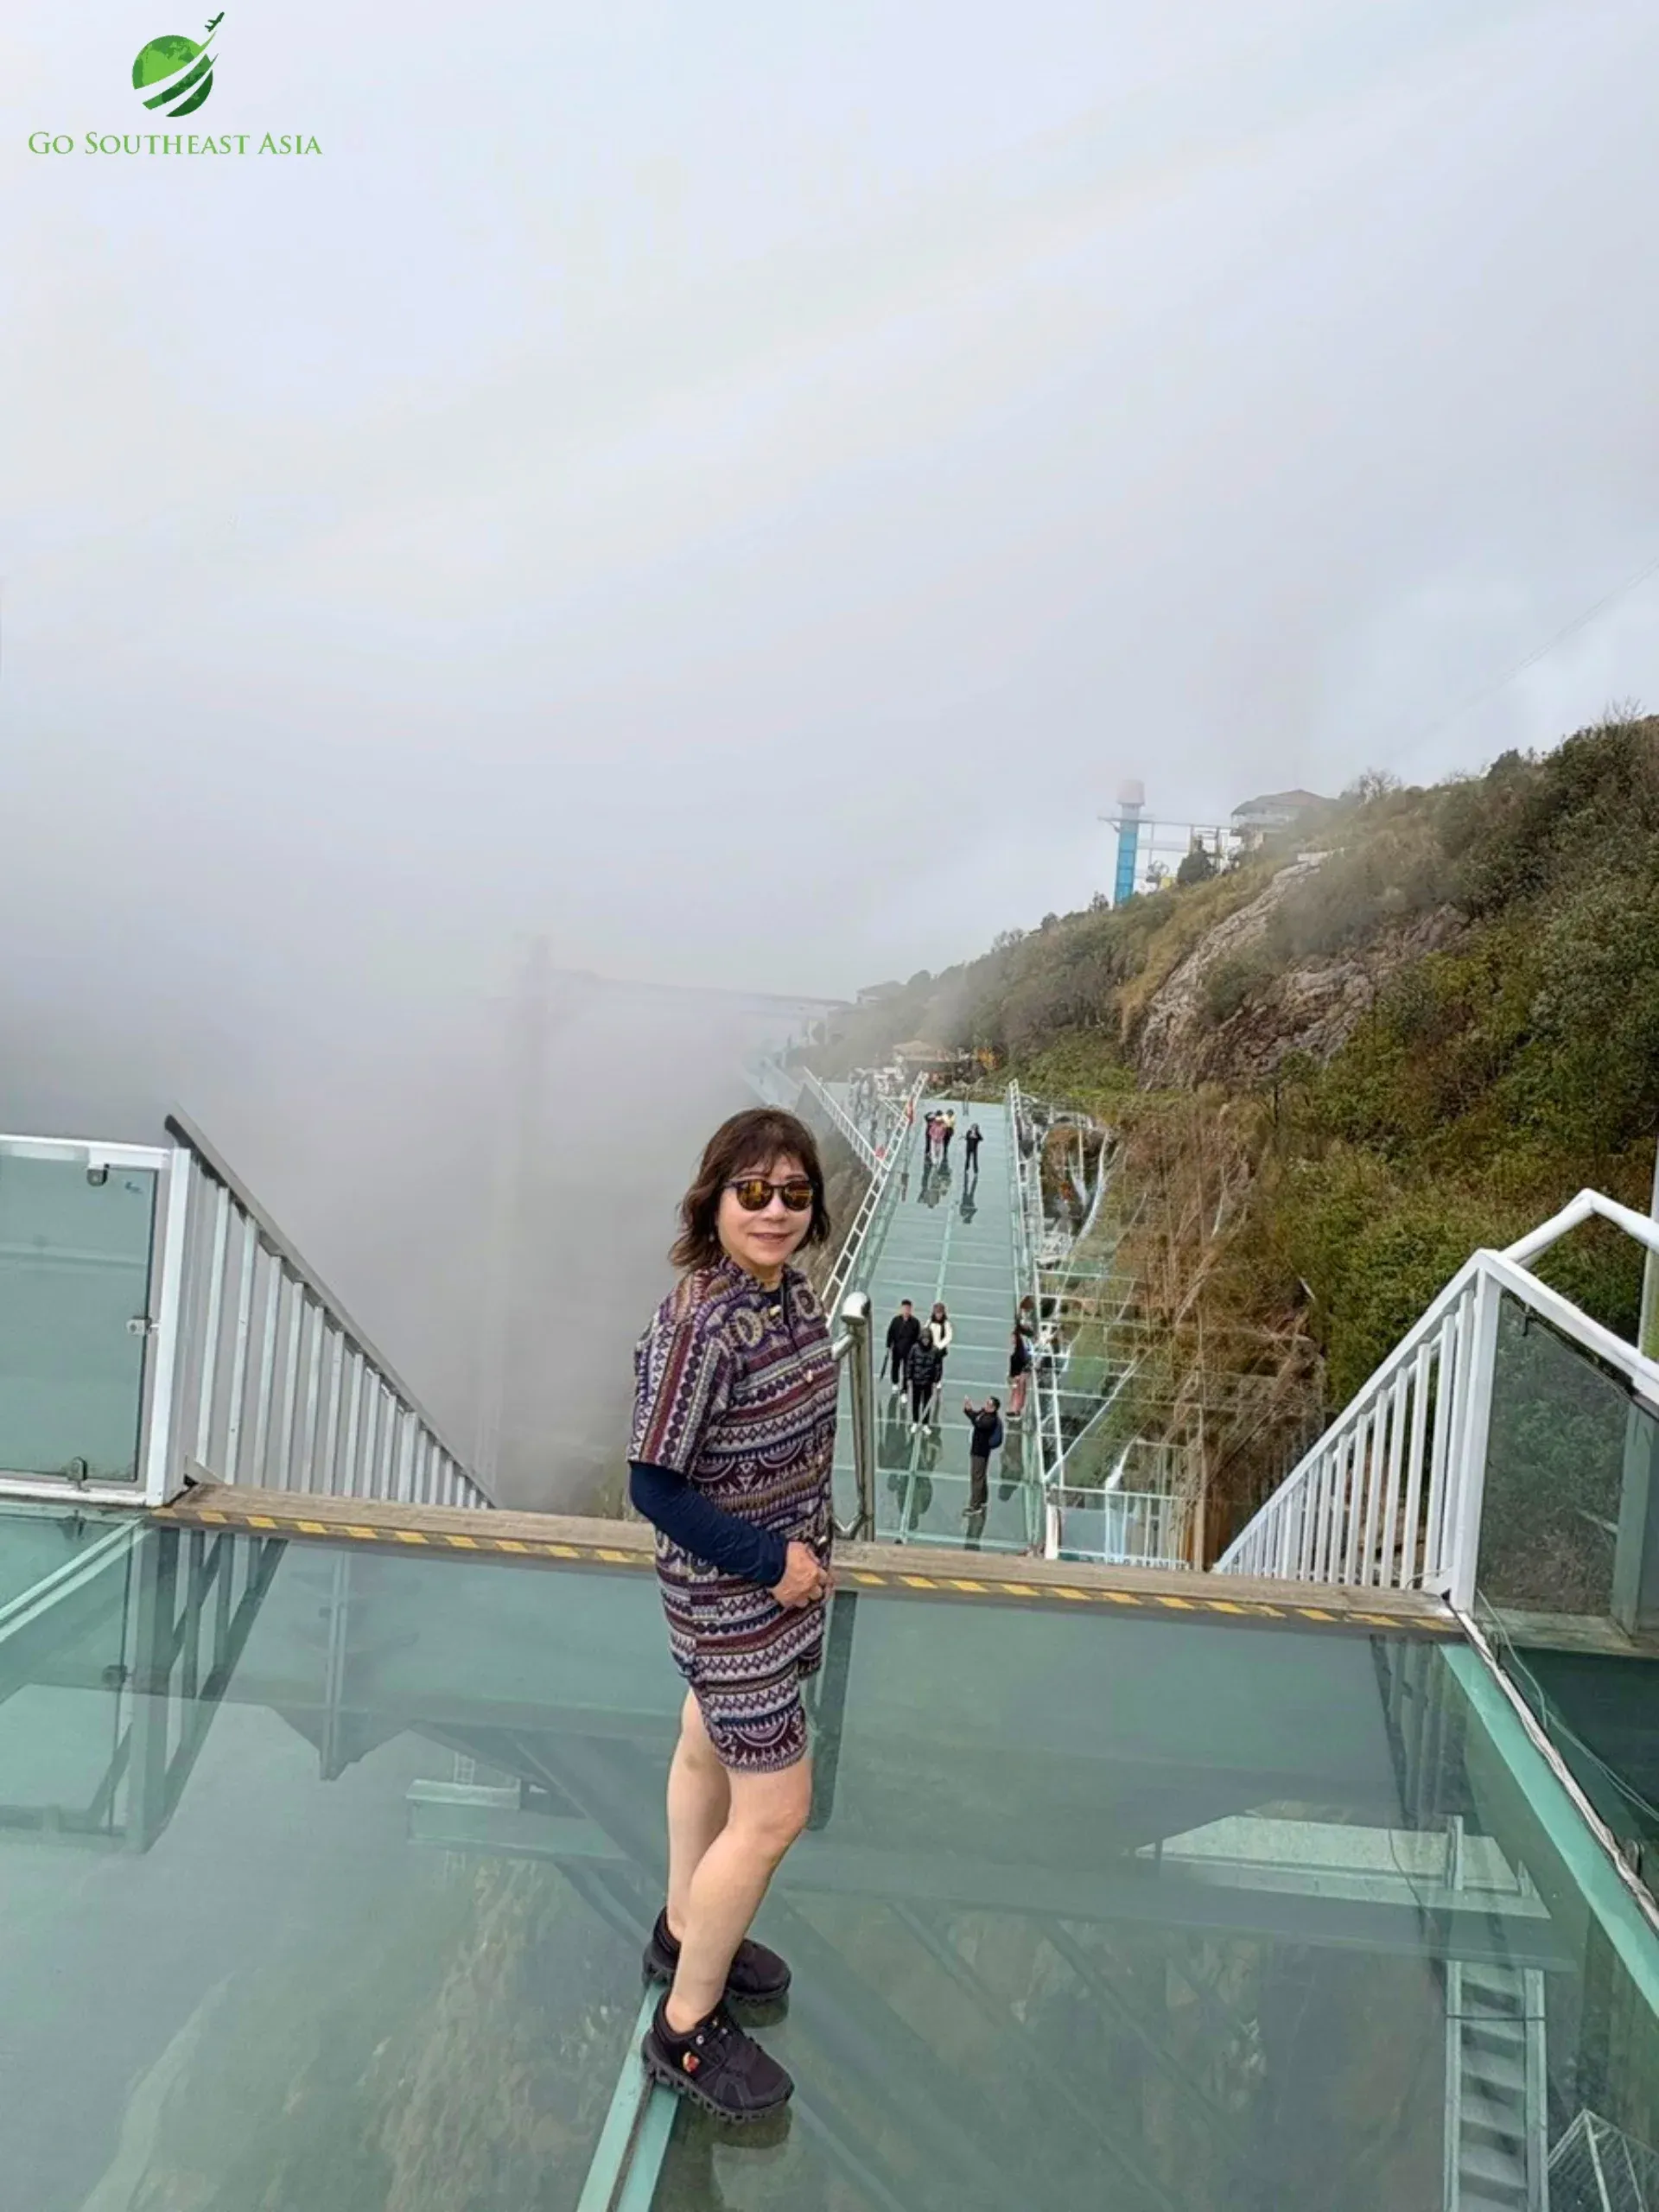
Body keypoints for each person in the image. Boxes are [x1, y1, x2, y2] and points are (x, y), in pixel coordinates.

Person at [627, 1108, 837, 2122]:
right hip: (734, 1601)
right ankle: (686, 2025)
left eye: (794, 1192)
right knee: (776, 1811)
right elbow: (654, 1487)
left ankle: (684, 1927)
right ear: (712, 1199)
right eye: (752, 1190)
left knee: (704, 1741)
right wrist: (771, 1565)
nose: (774, 1209)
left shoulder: (787, 1294)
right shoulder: (701, 1326)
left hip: (771, 1589)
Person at [963, 1396, 1005, 1516]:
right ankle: (983, 1499)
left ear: (994, 1408)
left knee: (976, 1478)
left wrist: (970, 1412)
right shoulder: (984, 1413)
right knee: (981, 1475)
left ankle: (975, 1506)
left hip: (980, 1451)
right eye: (986, 1403)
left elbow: (978, 1423)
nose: (986, 1405)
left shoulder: (990, 1420)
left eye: (989, 1404)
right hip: (980, 1450)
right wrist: (968, 1410)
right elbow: (975, 1416)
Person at [905, 1326, 943, 1433]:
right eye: (924, 1339)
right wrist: (909, 1378)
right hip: (916, 1381)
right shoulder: (914, 1348)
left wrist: (936, 1380)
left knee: (927, 1404)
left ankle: (925, 1424)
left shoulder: (935, 1351)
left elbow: (938, 1366)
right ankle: (915, 1422)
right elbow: (910, 1363)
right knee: (915, 1403)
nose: (926, 1341)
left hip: (928, 1382)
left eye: (927, 1339)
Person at [885, 1299, 921, 1394]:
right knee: (895, 1366)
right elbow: (890, 1333)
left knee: (907, 1371)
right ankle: (895, 1383)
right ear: (901, 1309)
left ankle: (904, 1389)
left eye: (908, 1309)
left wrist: (916, 1351)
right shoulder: (896, 1321)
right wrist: (888, 1346)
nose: (906, 1311)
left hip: (909, 1351)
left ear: (911, 1310)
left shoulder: (915, 1323)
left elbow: (918, 1338)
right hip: (897, 1349)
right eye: (904, 1309)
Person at [1007, 1323, 1032, 1418]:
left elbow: (1020, 1361)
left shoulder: (1020, 1347)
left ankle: (1016, 1410)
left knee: (1018, 1391)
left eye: (1012, 1337)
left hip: (1021, 1372)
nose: (1011, 1339)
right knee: (1017, 1391)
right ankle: (1015, 1409)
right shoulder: (1019, 1349)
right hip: (1019, 1372)